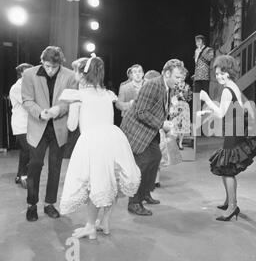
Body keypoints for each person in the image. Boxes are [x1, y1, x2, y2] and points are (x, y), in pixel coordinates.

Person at [59, 56, 141, 239]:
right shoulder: (108, 94)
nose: (74, 74)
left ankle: (90, 226)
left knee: (94, 185)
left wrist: (73, 109)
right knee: (112, 181)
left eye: (76, 70)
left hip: (92, 143)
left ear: (82, 74)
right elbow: (124, 107)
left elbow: (72, 126)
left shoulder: (77, 95)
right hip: (113, 139)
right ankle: (104, 221)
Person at [199, 55, 256, 221]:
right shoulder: (232, 86)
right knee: (227, 168)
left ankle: (232, 206)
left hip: (234, 131)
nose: (219, 76)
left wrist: (206, 100)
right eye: (217, 73)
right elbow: (227, 109)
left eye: (222, 73)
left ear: (230, 72)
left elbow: (220, 113)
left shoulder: (227, 89)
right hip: (236, 129)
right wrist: (208, 110)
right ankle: (229, 201)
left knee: (227, 169)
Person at [21, 46, 78, 222]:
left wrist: (57, 110)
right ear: (42, 61)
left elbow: (70, 101)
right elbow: (27, 100)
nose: (50, 70)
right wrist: (40, 112)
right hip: (38, 126)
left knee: (55, 167)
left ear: (60, 63)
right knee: (35, 165)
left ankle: (49, 204)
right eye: (47, 66)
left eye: (54, 67)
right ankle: (32, 205)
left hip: (58, 128)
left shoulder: (70, 76)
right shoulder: (29, 74)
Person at [121, 59, 184, 216]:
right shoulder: (153, 85)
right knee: (142, 163)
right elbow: (141, 112)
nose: (179, 81)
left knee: (155, 157)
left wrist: (167, 123)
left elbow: (159, 109)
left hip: (150, 130)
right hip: (137, 130)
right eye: (177, 77)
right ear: (167, 73)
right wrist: (163, 125)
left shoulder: (167, 87)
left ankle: (145, 193)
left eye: (180, 78)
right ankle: (134, 202)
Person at [9, 63, 33, 189]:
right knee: (27, 150)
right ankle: (24, 176)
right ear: (21, 73)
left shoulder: (29, 86)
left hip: (29, 123)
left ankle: (19, 176)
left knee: (25, 151)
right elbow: (27, 104)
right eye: (28, 71)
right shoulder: (16, 88)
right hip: (20, 123)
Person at [170, 66, 192, 149]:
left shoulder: (188, 86)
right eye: (182, 74)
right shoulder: (174, 85)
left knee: (183, 125)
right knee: (175, 124)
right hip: (176, 105)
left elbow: (190, 97)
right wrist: (178, 95)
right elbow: (171, 96)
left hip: (184, 106)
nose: (183, 76)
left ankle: (180, 143)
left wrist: (184, 97)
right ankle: (174, 142)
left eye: (185, 75)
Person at [193, 35, 214, 112]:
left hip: (205, 76)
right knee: (197, 96)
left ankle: (206, 111)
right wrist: (197, 53)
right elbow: (196, 63)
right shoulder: (196, 51)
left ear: (203, 41)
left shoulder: (209, 49)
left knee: (205, 95)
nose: (197, 43)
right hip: (197, 76)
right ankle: (197, 113)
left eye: (199, 41)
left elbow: (210, 59)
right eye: (196, 41)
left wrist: (200, 53)